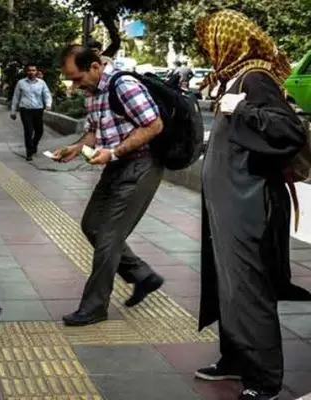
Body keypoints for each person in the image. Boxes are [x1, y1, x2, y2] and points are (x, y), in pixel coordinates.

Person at [194, 10, 311, 400]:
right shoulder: (233, 78)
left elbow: (289, 130)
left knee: (248, 287)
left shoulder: (255, 78)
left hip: (247, 206)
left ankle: (264, 379)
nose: (207, 47)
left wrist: (241, 109)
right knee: (227, 284)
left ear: (228, 41)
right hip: (228, 204)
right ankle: (235, 359)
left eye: (211, 39)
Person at [52, 44, 165, 327]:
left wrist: (114, 152)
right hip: (116, 165)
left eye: (77, 78)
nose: (75, 86)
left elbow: (154, 126)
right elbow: (94, 130)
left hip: (141, 165)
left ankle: (94, 307)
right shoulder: (94, 92)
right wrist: (76, 148)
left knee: (108, 238)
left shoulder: (124, 85)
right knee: (91, 224)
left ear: (94, 67)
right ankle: (141, 274)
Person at [10, 64, 52, 161]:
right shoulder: (21, 83)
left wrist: (48, 104)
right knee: (28, 130)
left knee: (39, 131)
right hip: (25, 110)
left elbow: (47, 94)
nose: (31, 72)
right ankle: (29, 153)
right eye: (29, 70)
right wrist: (13, 111)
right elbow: (16, 97)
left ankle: (34, 144)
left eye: (33, 70)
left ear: (36, 71)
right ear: (26, 72)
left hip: (38, 110)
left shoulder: (41, 83)